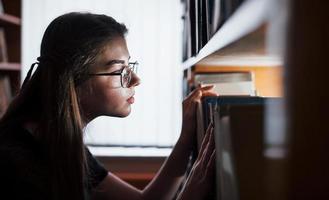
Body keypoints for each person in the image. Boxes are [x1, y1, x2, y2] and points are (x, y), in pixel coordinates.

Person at [0, 12, 217, 200]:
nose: (135, 79)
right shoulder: (16, 165)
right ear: (72, 80)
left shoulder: (60, 142)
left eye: (129, 65)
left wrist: (186, 137)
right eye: (119, 71)